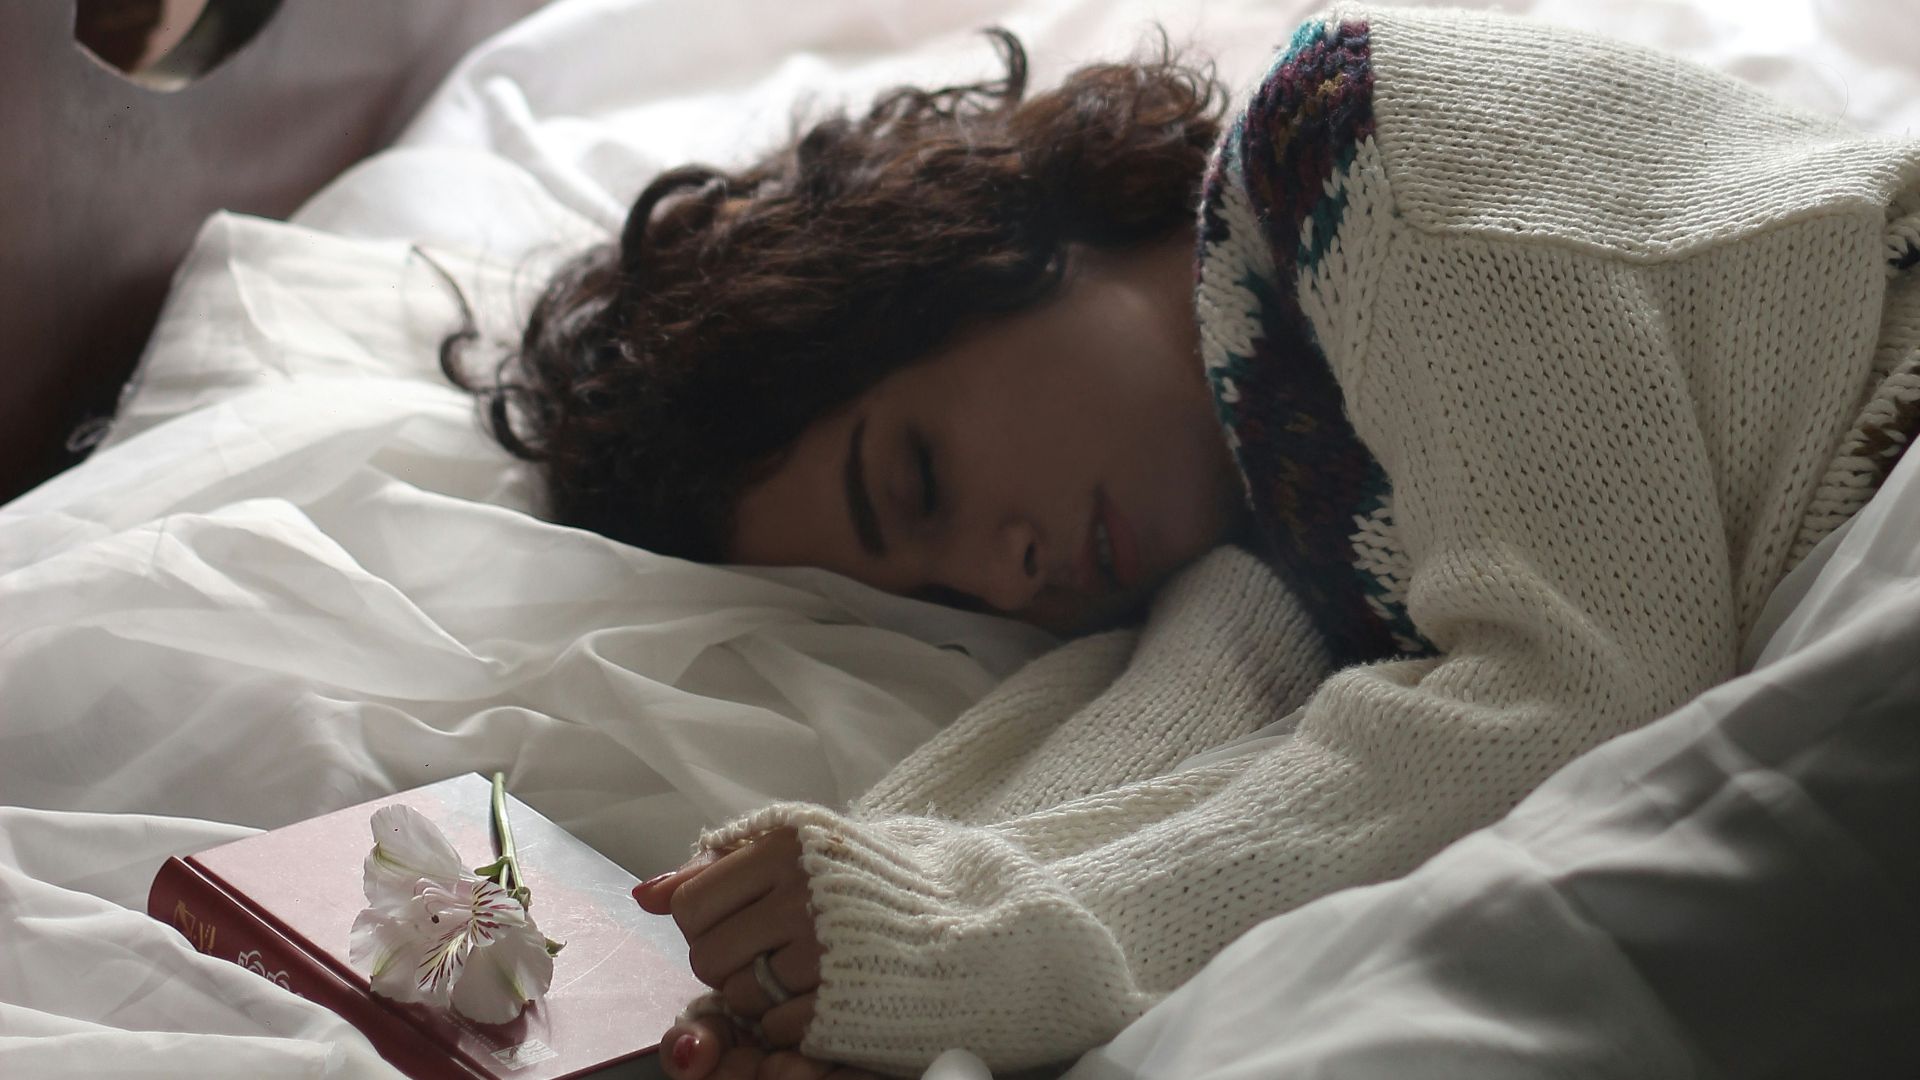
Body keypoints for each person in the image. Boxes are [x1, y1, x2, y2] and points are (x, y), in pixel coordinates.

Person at [449, 5, 1920, 1078]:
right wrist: (819, 976)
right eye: (943, 589)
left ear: (980, 248)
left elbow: (1578, 693)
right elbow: (1164, 744)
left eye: (918, 481)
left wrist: (972, 950)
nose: (1007, 574)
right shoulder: (1276, 489)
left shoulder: (1354, 148)